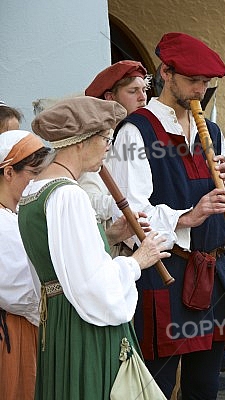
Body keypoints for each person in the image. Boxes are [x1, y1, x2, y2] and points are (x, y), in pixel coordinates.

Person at [106, 32, 225, 399]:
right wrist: (188, 216)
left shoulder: (213, 131)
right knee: (155, 385)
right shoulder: (136, 130)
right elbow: (129, 218)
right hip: (164, 275)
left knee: (205, 386)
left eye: (206, 82)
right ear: (166, 73)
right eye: (193, 80)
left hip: (210, 272)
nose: (200, 90)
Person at [18, 96, 170, 399]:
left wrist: (109, 237)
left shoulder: (33, 192)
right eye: (105, 139)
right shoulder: (68, 194)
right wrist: (137, 261)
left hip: (59, 319)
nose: (108, 149)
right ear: (81, 142)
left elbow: (60, 262)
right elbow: (92, 283)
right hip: (86, 322)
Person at [0, 130, 52, 400]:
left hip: (28, 326)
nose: (37, 183)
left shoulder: (18, 214)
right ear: (9, 173)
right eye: (33, 174)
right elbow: (20, 292)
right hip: (12, 333)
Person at [80, 61, 151, 250]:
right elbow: (88, 198)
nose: (142, 98)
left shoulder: (145, 134)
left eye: (144, 90)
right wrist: (125, 205)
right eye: (133, 91)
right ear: (110, 97)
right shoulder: (96, 141)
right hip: (115, 248)